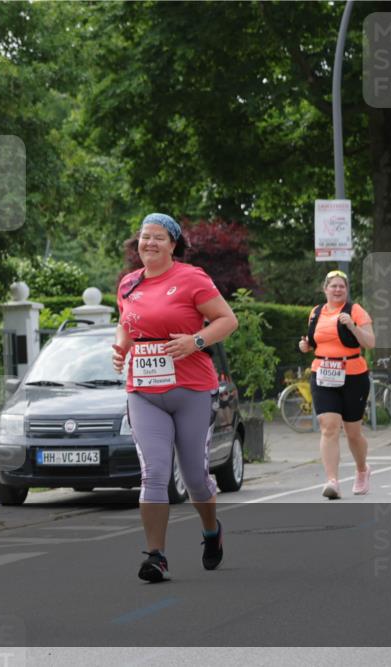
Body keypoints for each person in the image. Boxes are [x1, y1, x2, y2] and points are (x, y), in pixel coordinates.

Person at [112, 213, 238, 583]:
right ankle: (156, 556)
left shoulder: (191, 277)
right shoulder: (128, 283)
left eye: (158, 237)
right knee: (153, 473)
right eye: (144, 237)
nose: (149, 243)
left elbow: (227, 320)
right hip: (144, 391)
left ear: (173, 244)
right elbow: (126, 322)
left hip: (191, 389)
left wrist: (195, 341)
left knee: (196, 478)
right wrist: (121, 348)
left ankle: (212, 531)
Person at [298, 269, 376, 499]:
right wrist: (305, 346)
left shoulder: (355, 311)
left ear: (347, 290)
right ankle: (333, 481)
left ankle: (362, 470)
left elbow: (370, 342)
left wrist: (352, 326)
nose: (338, 289)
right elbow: (312, 342)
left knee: (353, 432)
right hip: (322, 373)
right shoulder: (315, 312)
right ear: (325, 289)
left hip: (353, 374)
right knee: (328, 426)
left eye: (342, 286)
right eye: (333, 286)